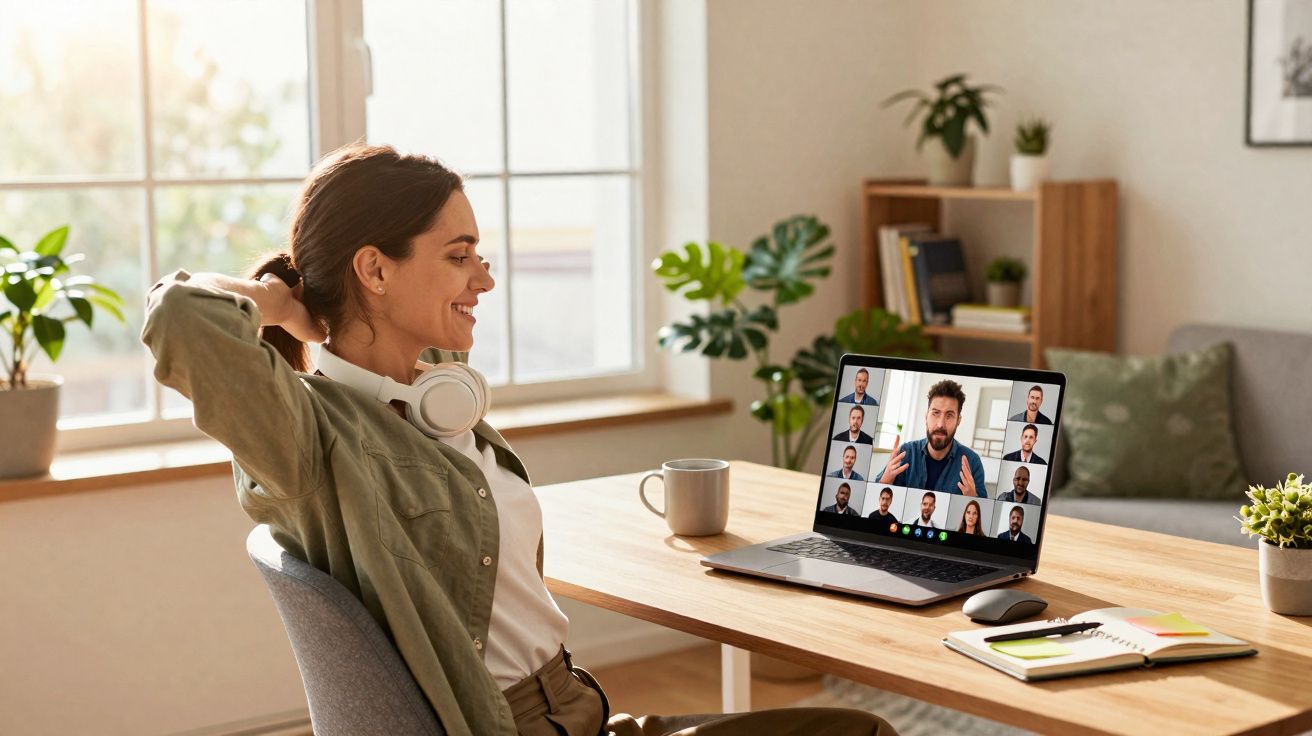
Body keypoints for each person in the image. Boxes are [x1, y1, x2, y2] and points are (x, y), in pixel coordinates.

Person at [140, 145, 895, 736]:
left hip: (583, 709)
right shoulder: (307, 438)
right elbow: (178, 315)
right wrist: (279, 302)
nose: (485, 280)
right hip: (506, 723)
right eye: (459, 255)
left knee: (855, 728)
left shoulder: (436, 391)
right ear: (373, 267)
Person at [877, 379, 987, 497]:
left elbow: (981, 511)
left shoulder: (973, 462)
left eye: (949, 415)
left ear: (958, 420)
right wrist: (884, 482)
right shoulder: (906, 453)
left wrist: (973, 498)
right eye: (935, 413)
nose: (940, 424)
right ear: (926, 416)